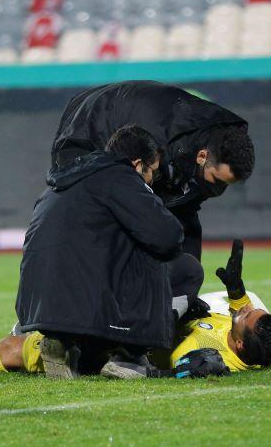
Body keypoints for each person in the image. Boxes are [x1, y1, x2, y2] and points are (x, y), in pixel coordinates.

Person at [0, 242, 271, 378]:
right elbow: (242, 318)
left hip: (105, 345)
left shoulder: (208, 357)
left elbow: (166, 367)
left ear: (238, 344)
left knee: (12, 350)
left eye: (245, 317)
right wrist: (237, 293)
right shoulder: (241, 341)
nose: (242, 311)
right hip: (119, 322)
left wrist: (177, 321)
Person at [17, 124, 189, 378]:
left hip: (37, 306)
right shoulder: (121, 177)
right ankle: (129, 353)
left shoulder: (64, 179)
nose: (152, 180)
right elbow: (168, 237)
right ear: (137, 164)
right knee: (169, 260)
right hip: (83, 301)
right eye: (152, 171)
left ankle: (63, 342)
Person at [51, 80, 256, 260]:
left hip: (134, 120)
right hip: (89, 126)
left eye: (226, 184)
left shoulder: (206, 149)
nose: (218, 189)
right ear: (202, 157)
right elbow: (139, 209)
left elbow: (183, 216)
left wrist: (189, 275)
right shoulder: (157, 143)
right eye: (217, 180)